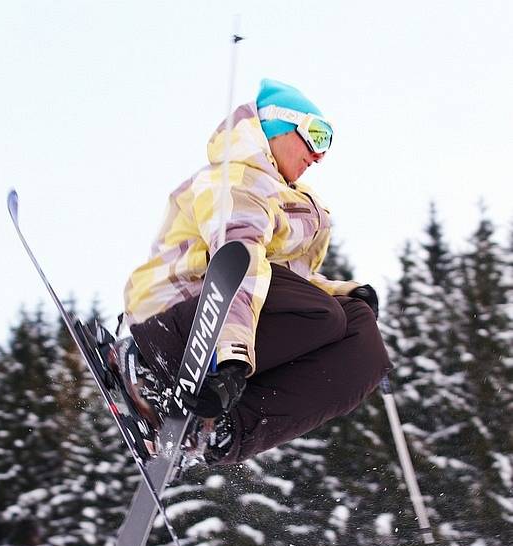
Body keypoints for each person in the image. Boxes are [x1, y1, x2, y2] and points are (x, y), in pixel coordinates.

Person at [117, 79, 391, 465]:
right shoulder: (236, 179)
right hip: (175, 320)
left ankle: (218, 432)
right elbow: (239, 261)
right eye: (315, 134)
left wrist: (343, 291)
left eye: (327, 142)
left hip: (234, 326)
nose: (319, 155)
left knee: (362, 341)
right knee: (323, 315)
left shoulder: (284, 198)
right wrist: (230, 361)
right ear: (275, 125)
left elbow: (280, 278)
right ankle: (146, 362)